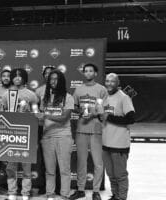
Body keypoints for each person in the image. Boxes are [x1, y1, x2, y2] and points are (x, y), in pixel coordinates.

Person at [71, 63, 107, 200]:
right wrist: (81, 111)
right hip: (81, 128)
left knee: (98, 162)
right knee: (81, 161)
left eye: (91, 71)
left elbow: (105, 108)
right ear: (84, 73)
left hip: (96, 128)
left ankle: (96, 191)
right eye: (86, 71)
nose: (88, 73)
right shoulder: (79, 89)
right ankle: (80, 189)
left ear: (95, 73)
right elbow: (74, 107)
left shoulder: (102, 89)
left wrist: (94, 113)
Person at [1, 68, 38, 200]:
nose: (17, 78)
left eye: (20, 76)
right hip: (11, 134)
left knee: (26, 165)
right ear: (11, 78)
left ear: (24, 78)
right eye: (15, 76)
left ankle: (25, 193)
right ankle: (12, 191)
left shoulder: (31, 95)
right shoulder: (6, 94)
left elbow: (37, 114)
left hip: (26, 135)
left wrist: (30, 111)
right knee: (11, 166)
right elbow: (1, 113)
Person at [36, 69, 74, 200]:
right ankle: (50, 193)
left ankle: (64, 194)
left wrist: (46, 115)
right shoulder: (44, 98)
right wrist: (34, 117)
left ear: (61, 81)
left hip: (63, 136)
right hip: (47, 136)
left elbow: (64, 118)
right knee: (49, 169)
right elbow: (42, 120)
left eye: (56, 79)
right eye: (51, 79)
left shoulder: (68, 97)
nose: (53, 81)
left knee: (64, 169)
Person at [99, 73, 135, 200]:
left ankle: (122, 198)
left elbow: (131, 119)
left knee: (120, 175)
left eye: (112, 81)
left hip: (119, 143)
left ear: (117, 83)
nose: (109, 83)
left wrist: (109, 117)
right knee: (111, 174)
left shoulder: (124, 98)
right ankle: (115, 195)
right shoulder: (104, 97)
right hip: (106, 142)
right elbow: (102, 116)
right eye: (107, 81)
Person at [34, 66, 55, 195]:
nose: (48, 75)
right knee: (44, 157)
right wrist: (38, 112)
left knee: (57, 157)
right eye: (46, 73)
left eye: (51, 73)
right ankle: (43, 185)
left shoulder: (61, 90)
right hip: (43, 126)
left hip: (57, 127)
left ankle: (56, 185)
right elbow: (35, 107)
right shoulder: (39, 90)